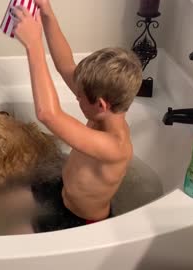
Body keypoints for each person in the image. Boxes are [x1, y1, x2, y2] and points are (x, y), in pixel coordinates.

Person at [11, 1, 143, 232]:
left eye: (80, 96)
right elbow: (65, 65)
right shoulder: (102, 111)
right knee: (4, 201)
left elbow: (48, 114)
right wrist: (47, 13)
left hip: (79, 221)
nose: (76, 97)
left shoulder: (116, 146)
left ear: (101, 104)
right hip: (61, 190)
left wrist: (34, 45)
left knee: (14, 239)